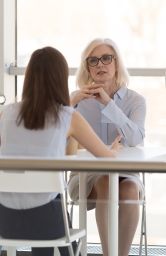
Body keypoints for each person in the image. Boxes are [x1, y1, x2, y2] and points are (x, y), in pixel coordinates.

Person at [0, 46, 122, 256]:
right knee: (53, 220)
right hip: (47, 222)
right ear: (60, 78)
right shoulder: (67, 116)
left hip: (4, 219)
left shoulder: (6, 114)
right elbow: (107, 159)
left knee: (48, 217)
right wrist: (114, 149)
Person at [67, 38, 146, 256]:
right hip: (85, 177)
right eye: (93, 60)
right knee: (106, 181)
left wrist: (108, 105)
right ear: (87, 68)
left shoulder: (135, 101)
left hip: (126, 172)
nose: (100, 64)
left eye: (106, 58)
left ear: (117, 64)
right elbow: (56, 140)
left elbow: (135, 138)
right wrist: (68, 104)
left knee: (130, 188)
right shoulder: (77, 100)